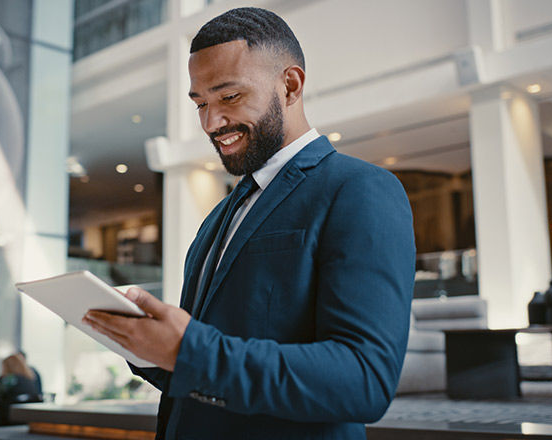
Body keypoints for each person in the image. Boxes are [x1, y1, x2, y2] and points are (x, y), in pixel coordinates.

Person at [83, 7, 415, 439]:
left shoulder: (360, 190)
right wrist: (145, 346)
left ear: (290, 85)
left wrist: (189, 351)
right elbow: (201, 374)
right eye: (200, 103)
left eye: (229, 97)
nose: (210, 122)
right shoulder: (220, 216)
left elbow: (363, 381)